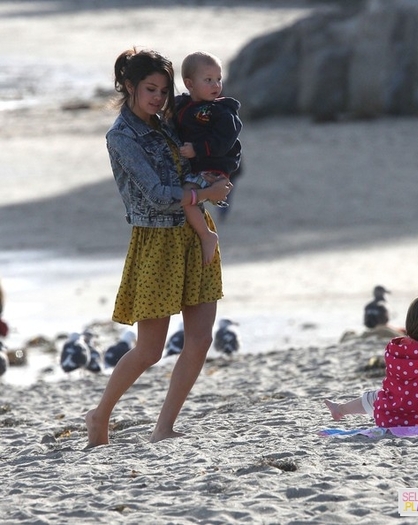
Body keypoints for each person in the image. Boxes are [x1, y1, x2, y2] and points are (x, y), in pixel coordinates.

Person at [85, 48, 232, 447]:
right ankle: (99, 416)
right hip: (156, 242)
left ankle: (163, 426)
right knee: (150, 349)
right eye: (150, 89)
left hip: (194, 231)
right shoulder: (121, 136)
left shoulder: (170, 122)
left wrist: (212, 177)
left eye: (164, 90)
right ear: (129, 86)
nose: (158, 98)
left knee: (201, 338)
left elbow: (202, 154)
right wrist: (205, 191)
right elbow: (154, 194)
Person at [325, 295, 418, 434]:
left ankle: (340, 409)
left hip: (386, 418)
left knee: (376, 396)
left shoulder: (395, 350)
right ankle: (340, 409)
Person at [174, 51, 242, 264]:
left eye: (219, 79)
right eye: (208, 80)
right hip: (197, 166)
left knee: (186, 197)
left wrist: (198, 150)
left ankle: (206, 235)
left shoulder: (221, 111)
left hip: (214, 165)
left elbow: (225, 140)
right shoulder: (183, 106)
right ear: (189, 84)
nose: (216, 85)